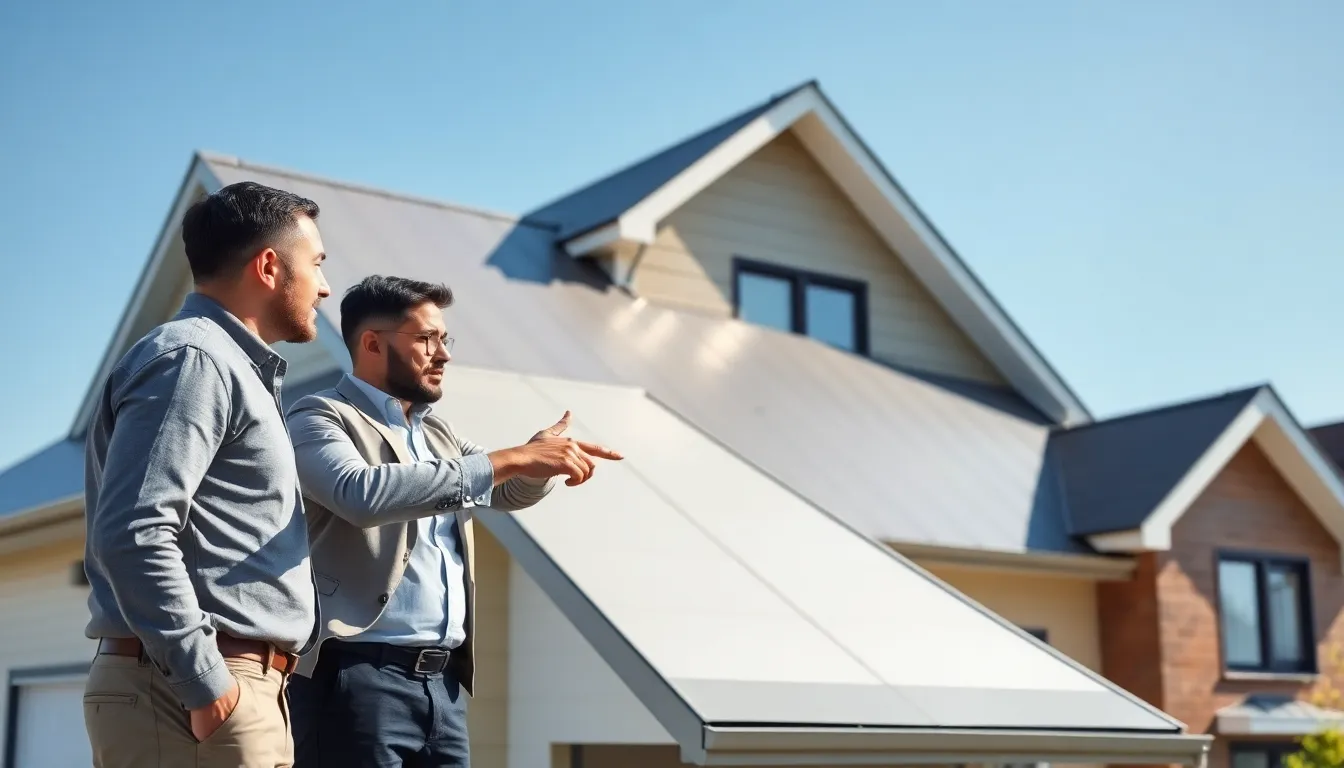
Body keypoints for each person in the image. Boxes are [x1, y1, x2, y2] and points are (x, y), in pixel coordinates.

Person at [284, 274, 623, 767]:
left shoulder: (437, 431)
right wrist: (515, 457)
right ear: (372, 343)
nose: (442, 354)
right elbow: (359, 493)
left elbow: (503, 489)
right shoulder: (318, 415)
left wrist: (539, 462)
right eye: (426, 338)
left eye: (445, 339)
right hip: (357, 678)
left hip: (443, 688)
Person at [81, 181, 331, 768]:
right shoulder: (195, 361)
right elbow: (133, 532)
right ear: (269, 267)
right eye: (317, 264)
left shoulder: (221, 366)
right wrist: (208, 686)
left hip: (218, 691)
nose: (324, 286)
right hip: (192, 695)